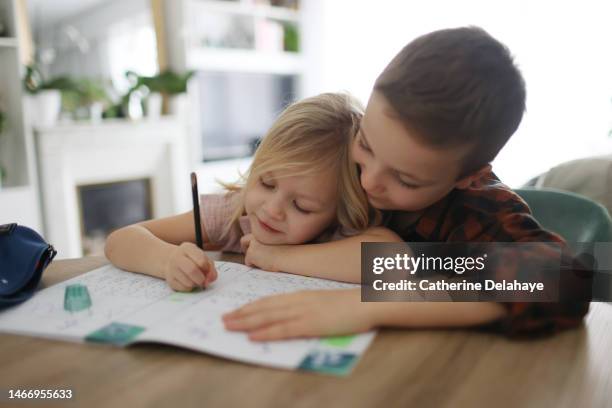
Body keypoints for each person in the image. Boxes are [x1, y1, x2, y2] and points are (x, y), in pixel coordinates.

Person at [222, 26, 591, 341]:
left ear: (468, 177)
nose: (369, 181)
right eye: (365, 145)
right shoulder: (342, 161)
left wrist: (379, 304)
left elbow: (568, 278)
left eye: (404, 179)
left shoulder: (477, 208)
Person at [104, 93, 395, 291]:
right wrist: (167, 261)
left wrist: (276, 258)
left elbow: (396, 262)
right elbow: (120, 240)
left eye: (302, 206)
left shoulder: (340, 230)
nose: (272, 209)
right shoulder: (232, 213)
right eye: (267, 183)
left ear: (339, 211)